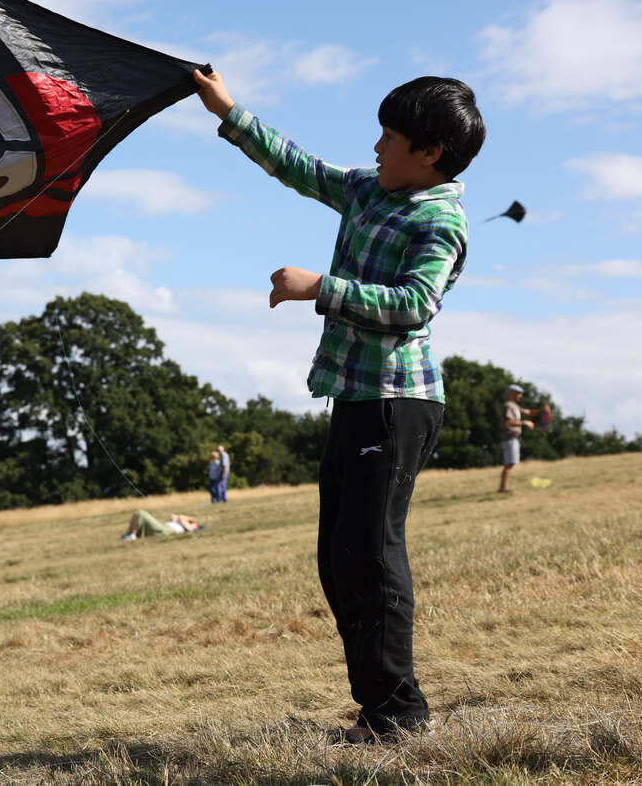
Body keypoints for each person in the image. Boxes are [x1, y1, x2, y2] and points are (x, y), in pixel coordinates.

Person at [194, 68, 485, 744]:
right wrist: (228, 110)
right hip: (354, 394)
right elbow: (297, 165)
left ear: (429, 153)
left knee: (373, 552)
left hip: (399, 403)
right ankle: (376, 707)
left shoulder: (440, 220)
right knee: (338, 554)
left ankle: (399, 713)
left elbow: (416, 306)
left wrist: (319, 287)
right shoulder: (367, 188)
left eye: (390, 135)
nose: (377, 145)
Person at [499, 384, 537, 493]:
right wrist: (524, 423)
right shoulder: (509, 406)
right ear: (512, 393)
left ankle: (503, 487)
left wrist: (543, 412)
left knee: (510, 463)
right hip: (510, 437)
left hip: (513, 438)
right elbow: (509, 422)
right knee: (509, 463)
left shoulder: (516, 406)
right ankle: (503, 488)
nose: (520, 396)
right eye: (519, 393)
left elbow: (529, 412)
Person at [121, 510, 201, 539]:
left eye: (195, 525)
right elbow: (174, 516)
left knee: (140, 513)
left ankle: (132, 535)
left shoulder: (190, 527)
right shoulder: (183, 522)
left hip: (164, 530)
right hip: (163, 526)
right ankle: (129, 535)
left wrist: (186, 518)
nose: (195, 524)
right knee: (136, 514)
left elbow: (180, 518)